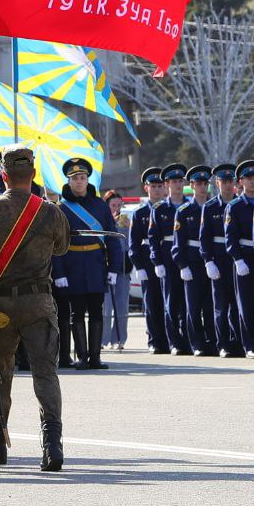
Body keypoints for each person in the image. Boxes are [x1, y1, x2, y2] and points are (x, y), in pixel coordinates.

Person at [0, 144, 70, 471]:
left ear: (4, 175)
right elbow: (63, 248)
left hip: (1, 304)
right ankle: (52, 444)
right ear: (33, 174)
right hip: (38, 301)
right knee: (45, 372)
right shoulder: (50, 211)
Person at [52, 157, 117, 368]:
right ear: (69, 181)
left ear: (88, 180)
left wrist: (115, 267)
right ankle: (82, 357)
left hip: (96, 264)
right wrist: (59, 272)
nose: (79, 182)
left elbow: (113, 237)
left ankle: (95, 357)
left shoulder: (100, 205)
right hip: (72, 266)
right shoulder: (61, 208)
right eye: (75, 178)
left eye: (83, 177)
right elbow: (56, 244)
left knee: (96, 311)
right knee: (76, 312)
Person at [225, 160, 254, 358]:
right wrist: (237, 259)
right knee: (246, 304)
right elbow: (230, 237)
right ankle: (249, 344)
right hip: (244, 257)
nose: (253, 182)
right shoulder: (234, 207)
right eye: (249, 179)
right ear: (240, 182)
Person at [200, 164, 243, 357]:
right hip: (219, 259)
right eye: (223, 181)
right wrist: (208, 261)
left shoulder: (240, 204)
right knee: (220, 305)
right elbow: (204, 237)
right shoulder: (209, 208)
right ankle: (223, 343)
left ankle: (238, 342)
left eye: (230, 181)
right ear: (217, 183)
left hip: (237, 258)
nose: (227, 185)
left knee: (238, 304)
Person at [174, 165, 216, 356]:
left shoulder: (213, 207)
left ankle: (211, 341)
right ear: (191, 185)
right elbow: (178, 243)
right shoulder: (184, 211)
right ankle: (197, 343)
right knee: (193, 306)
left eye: (205, 183)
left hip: (211, 261)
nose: (202, 187)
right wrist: (183, 265)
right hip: (192, 262)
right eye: (198, 183)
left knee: (211, 305)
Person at [148, 163, 190, 354]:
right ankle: (175, 342)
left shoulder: (191, 206)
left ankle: (191, 339)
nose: (177, 185)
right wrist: (157, 261)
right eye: (173, 181)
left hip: (188, 256)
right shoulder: (159, 209)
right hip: (167, 257)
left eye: (180, 181)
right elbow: (153, 238)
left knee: (190, 302)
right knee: (171, 302)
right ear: (167, 184)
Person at [129, 168, 168, 353]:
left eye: (160, 186)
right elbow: (134, 243)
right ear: (146, 188)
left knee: (170, 302)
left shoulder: (170, 209)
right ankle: (155, 340)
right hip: (147, 262)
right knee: (152, 303)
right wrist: (139, 266)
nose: (157, 190)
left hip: (167, 260)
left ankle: (171, 338)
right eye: (154, 186)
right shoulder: (140, 213)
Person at [101, 190, 130, 351]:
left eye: (119, 205)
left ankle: (119, 339)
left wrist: (127, 228)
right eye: (113, 205)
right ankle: (103, 339)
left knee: (121, 305)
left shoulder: (125, 220)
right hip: (107, 266)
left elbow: (129, 244)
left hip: (123, 268)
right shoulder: (104, 220)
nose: (117, 209)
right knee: (106, 307)